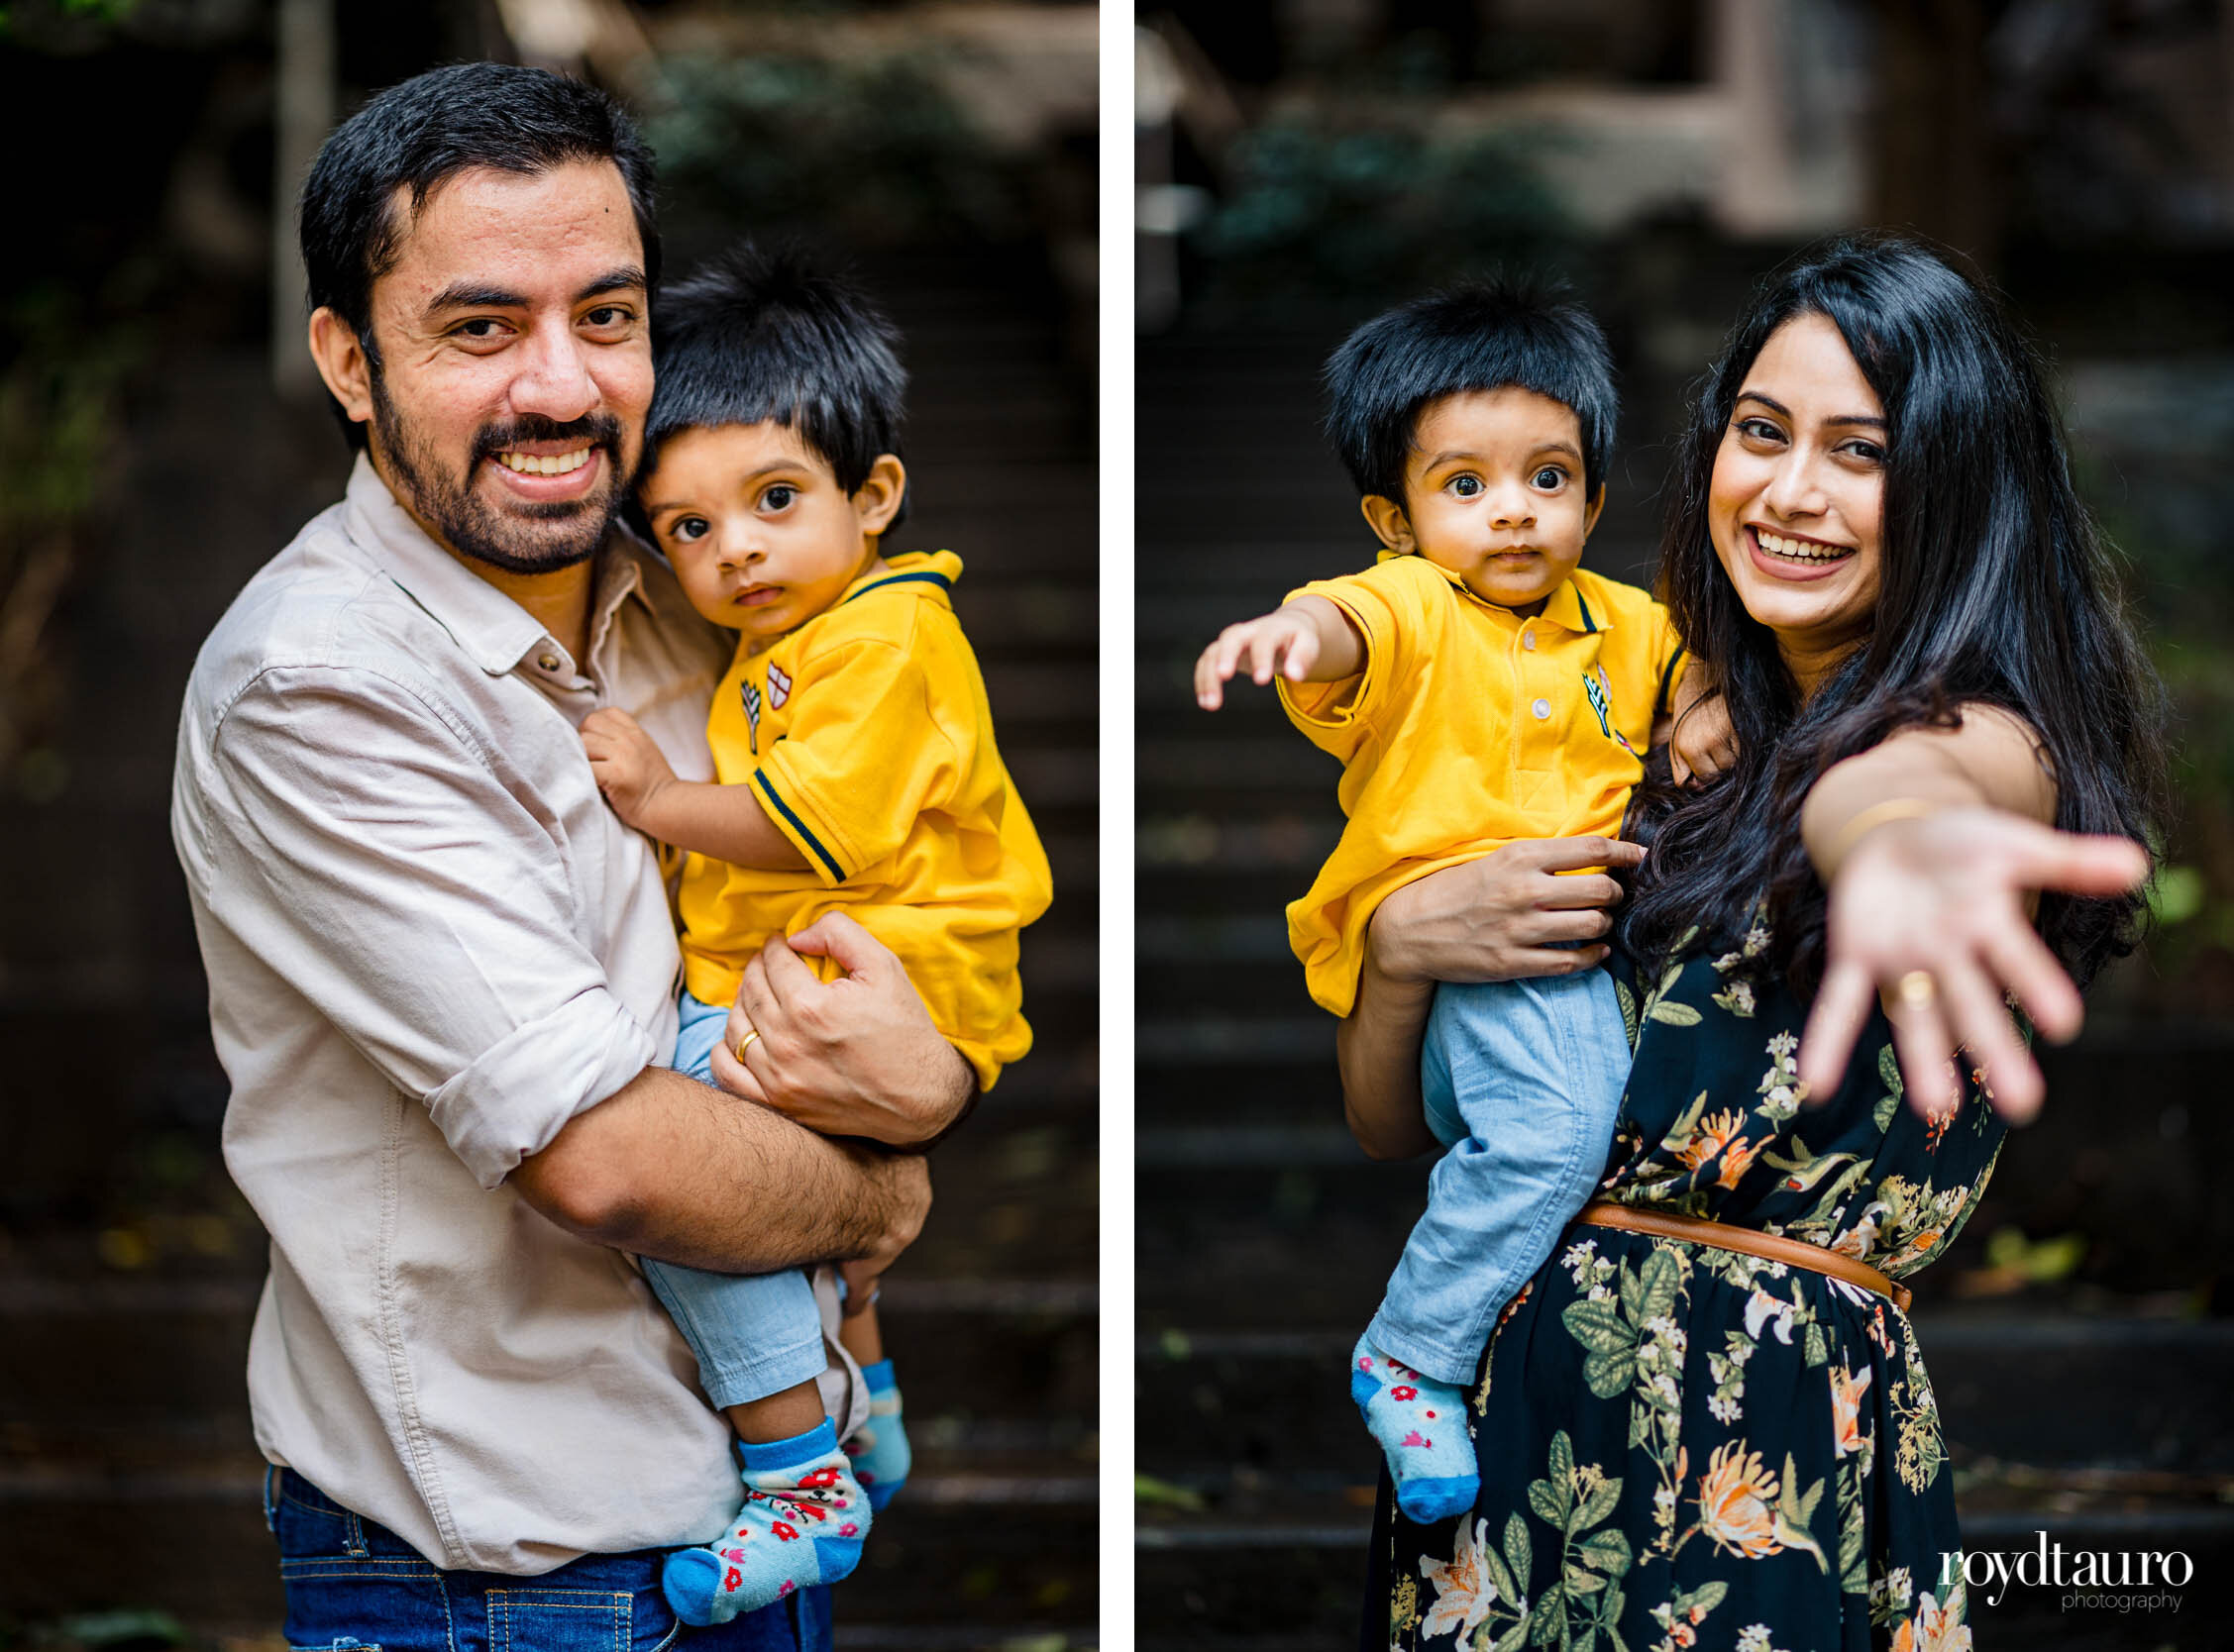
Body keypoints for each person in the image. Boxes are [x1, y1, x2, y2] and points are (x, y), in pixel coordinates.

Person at [170, 63, 970, 1652]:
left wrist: (933, 1072)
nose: (559, 386)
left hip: (741, 1520)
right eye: (479, 329)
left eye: (604, 317)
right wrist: (882, 1191)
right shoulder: (320, 681)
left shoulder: (693, 590)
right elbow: (604, 1159)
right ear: (348, 358)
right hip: (500, 1582)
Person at [1340, 237, 2161, 1648]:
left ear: (1958, 488)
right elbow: (1386, 1128)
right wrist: (1403, 948)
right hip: (1498, 1454)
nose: (1789, 494)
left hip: (1756, 1453)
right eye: (1760, 434)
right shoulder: (1659, 742)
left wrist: (1887, 838)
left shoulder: (1978, 741)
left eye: (1860, 452)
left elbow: (1896, 791)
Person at [1192, 279, 1732, 1521]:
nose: (1513, 516)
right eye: (1465, 486)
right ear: (1395, 518)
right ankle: (1411, 1350)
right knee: (1554, 1137)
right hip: (1482, 975)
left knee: (1562, 1126)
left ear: (1594, 499)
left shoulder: (1621, 623)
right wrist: (1283, 633)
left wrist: (1701, 703)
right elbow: (1343, 623)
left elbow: (1690, 657)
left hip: (1557, 980)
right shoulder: (1415, 608)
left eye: (1548, 480)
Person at [576, 244, 1052, 1622]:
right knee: (781, 1187)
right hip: (853, 969)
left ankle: (799, 1474)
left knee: (685, 1178)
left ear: (874, 494)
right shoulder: (804, 635)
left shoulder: (885, 638)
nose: (734, 551)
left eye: (773, 500)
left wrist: (661, 800)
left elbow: (814, 825)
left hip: (884, 968)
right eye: (685, 528)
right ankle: (875, 1396)